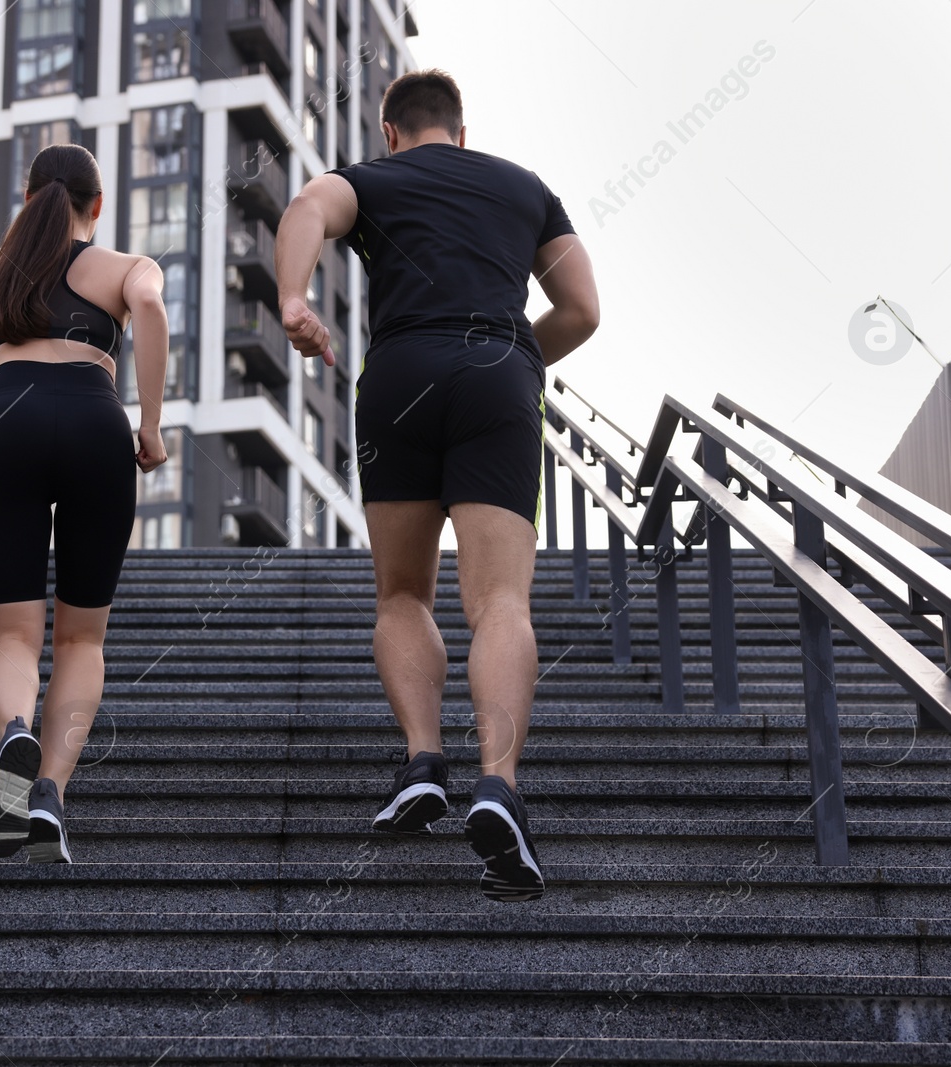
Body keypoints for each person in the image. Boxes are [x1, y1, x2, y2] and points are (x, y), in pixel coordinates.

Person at [274, 70, 599, 902]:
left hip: (400, 373)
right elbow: (584, 309)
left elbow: (307, 208)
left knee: (401, 594)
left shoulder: (370, 178)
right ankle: (499, 783)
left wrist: (294, 298)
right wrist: (515, 359)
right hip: (497, 366)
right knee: (500, 601)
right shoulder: (527, 189)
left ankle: (423, 757)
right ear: (461, 130)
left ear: (391, 132)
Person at [0, 143, 168, 863]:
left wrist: (13, 414)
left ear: (28, 198)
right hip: (95, 425)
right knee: (81, 638)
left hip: (7, 419)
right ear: (96, 205)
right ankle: (48, 789)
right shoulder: (125, 267)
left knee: (14, 636)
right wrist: (150, 424)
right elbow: (151, 309)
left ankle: (15, 729)